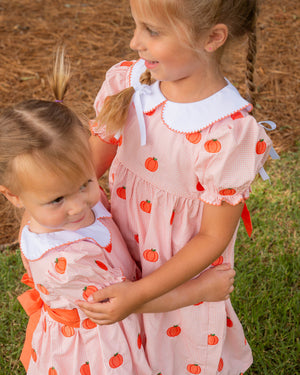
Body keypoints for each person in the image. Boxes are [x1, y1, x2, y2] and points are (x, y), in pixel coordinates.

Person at [0, 48, 235, 374]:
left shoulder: (58, 212)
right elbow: (123, 305)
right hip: (97, 353)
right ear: (14, 197)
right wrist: (201, 290)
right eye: (57, 200)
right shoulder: (67, 260)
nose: (78, 205)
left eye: (84, 183)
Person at [78, 0, 279, 374]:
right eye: (137, 25)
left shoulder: (227, 133)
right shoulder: (128, 84)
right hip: (119, 243)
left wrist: (138, 294)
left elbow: (212, 238)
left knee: (173, 351)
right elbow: (89, 169)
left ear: (212, 37)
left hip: (178, 269)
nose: (136, 41)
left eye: (153, 31)